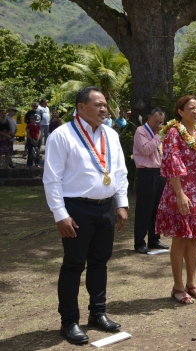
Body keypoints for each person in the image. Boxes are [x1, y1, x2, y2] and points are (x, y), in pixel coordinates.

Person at [42, 87, 129, 344]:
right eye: (98, 104)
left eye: (105, 104)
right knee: (73, 264)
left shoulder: (111, 135)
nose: (104, 109)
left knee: (100, 262)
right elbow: (52, 179)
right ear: (81, 107)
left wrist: (121, 203)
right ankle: (69, 322)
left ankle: (98, 313)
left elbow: (120, 171)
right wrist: (60, 214)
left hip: (105, 207)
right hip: (76, 208)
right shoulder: (62, 135)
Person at [155, 95, 196, 304]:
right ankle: (177, 287)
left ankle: (192, 284)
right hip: (180, 192)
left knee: (194, 239)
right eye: (190, 108)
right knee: (181, 238)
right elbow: (171, 162)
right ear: (180, 111)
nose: (195, 111)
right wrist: (180, 193)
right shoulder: (174, 132)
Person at [132, 107, 169, 253]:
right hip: (146, 173)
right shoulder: (141, 131)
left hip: (159, 173)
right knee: (144, 209)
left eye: (161, 122)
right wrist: (159, 136)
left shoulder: (158, 134)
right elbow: (146, 150)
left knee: (157, 209)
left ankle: (154, 239)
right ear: (149, 118)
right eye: (156, 121)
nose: (159, 125)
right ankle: (139, 242)